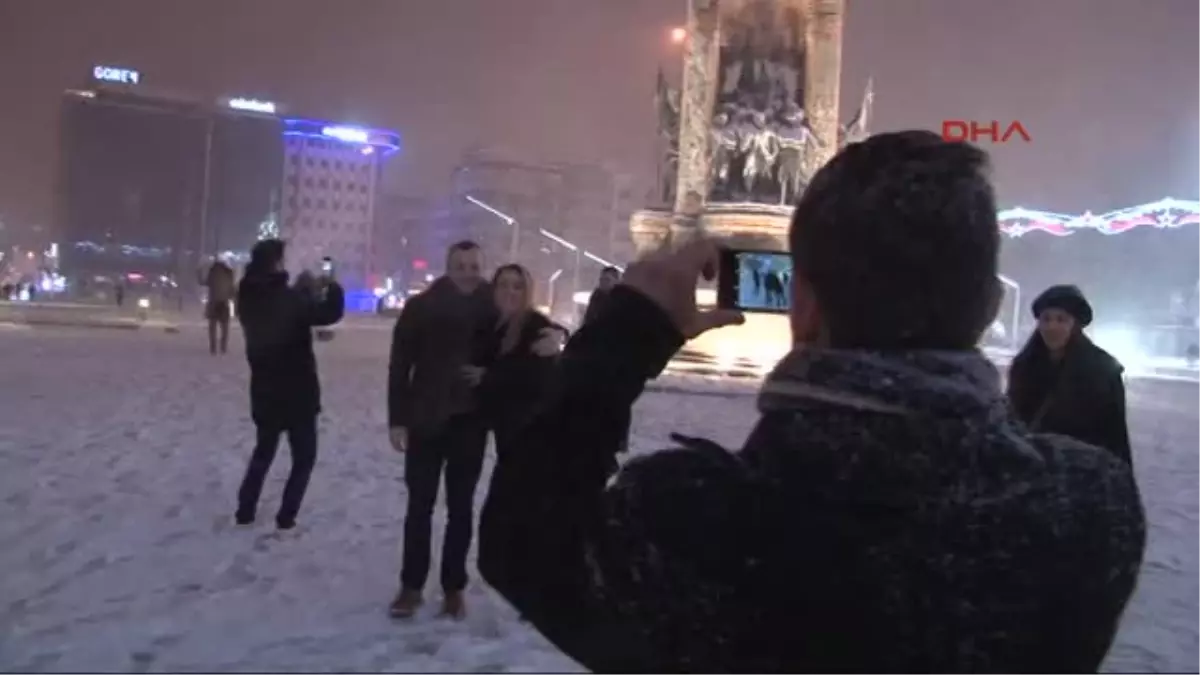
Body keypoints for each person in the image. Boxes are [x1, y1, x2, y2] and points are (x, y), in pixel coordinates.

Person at [478, 131, 1146, 672]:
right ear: (992, 305)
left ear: (803, 301)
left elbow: (523, 543)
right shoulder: (1089, 506)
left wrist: (626, 333)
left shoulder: (691, 523)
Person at [234, 239, 344, 530]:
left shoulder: (247, 297)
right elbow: (327, 313)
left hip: (264, 390)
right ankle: (286, 516)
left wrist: (299, 291)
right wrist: (330, 286)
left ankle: (245, 510)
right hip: (298, 391)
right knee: (304, 457)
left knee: (264, 452)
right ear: (275, 263)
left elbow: (281, 310)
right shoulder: (289, 299)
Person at [1007, 284, 1133, 466]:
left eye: (1061, 319)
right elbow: (1012, 422)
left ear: (1075, 325)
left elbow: (1115, 436)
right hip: (1031, 472)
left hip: (1083, 473)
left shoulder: (1102, 371)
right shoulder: (1024, 366)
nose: (1052, 326)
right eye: (1046, 319)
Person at [474, 264, 563, 461]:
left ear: (527, 291)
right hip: (506, 429)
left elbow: (536, 378)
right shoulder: (495, 325)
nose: (509, 292)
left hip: (531, 432)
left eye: (517, 286)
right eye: (503, 285)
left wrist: (488, 376)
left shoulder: (536, 327)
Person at [202, 259, 237, 355]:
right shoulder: (229, 274)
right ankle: (223, 346)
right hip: (224, 303)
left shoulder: (212, 274)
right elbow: (232, 291)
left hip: (213, 303)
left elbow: (203, 282)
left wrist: (199, 271)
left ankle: (213, 347)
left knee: (212, 327)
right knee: (225, 327)